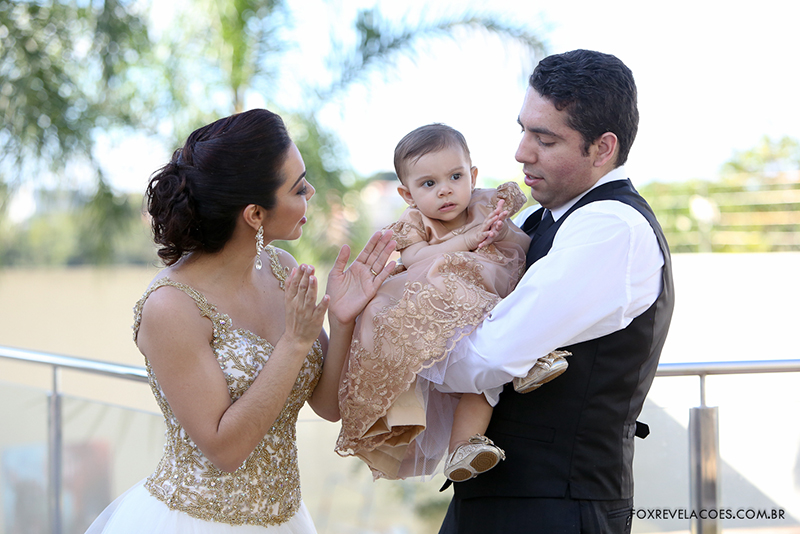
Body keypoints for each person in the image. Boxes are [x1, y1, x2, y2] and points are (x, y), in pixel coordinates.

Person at [84, 109, 396, 533]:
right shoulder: (171, 307)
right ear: (255, 215)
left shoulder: (282, 267)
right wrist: (293, 344)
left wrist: (342, 321)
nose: (312, 192)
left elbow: (328, 406)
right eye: (299, 187)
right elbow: (224, 450)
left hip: (286, 519)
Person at [436, 49, 675, 534]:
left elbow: (488, 356)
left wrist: (401, 350)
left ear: (602, 148)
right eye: (523, 129)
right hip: (498, 502)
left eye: (544, 139)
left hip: (558, 509)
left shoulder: (612, 228)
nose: (522, 152)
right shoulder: (535, 219)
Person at [335, 124, 567, 484]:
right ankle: (467, 441)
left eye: (456, 176)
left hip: (493, 294)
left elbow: (524, 248)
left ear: (472, 175)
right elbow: (417, 260)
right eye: (428, 184)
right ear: (407, 194)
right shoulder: (414, 222)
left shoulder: (488, 204)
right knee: (474, 379)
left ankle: (522, 370)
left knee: (495, 357)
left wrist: (501, 232)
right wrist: (470, 239)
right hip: (445, 312)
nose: (445, 189)